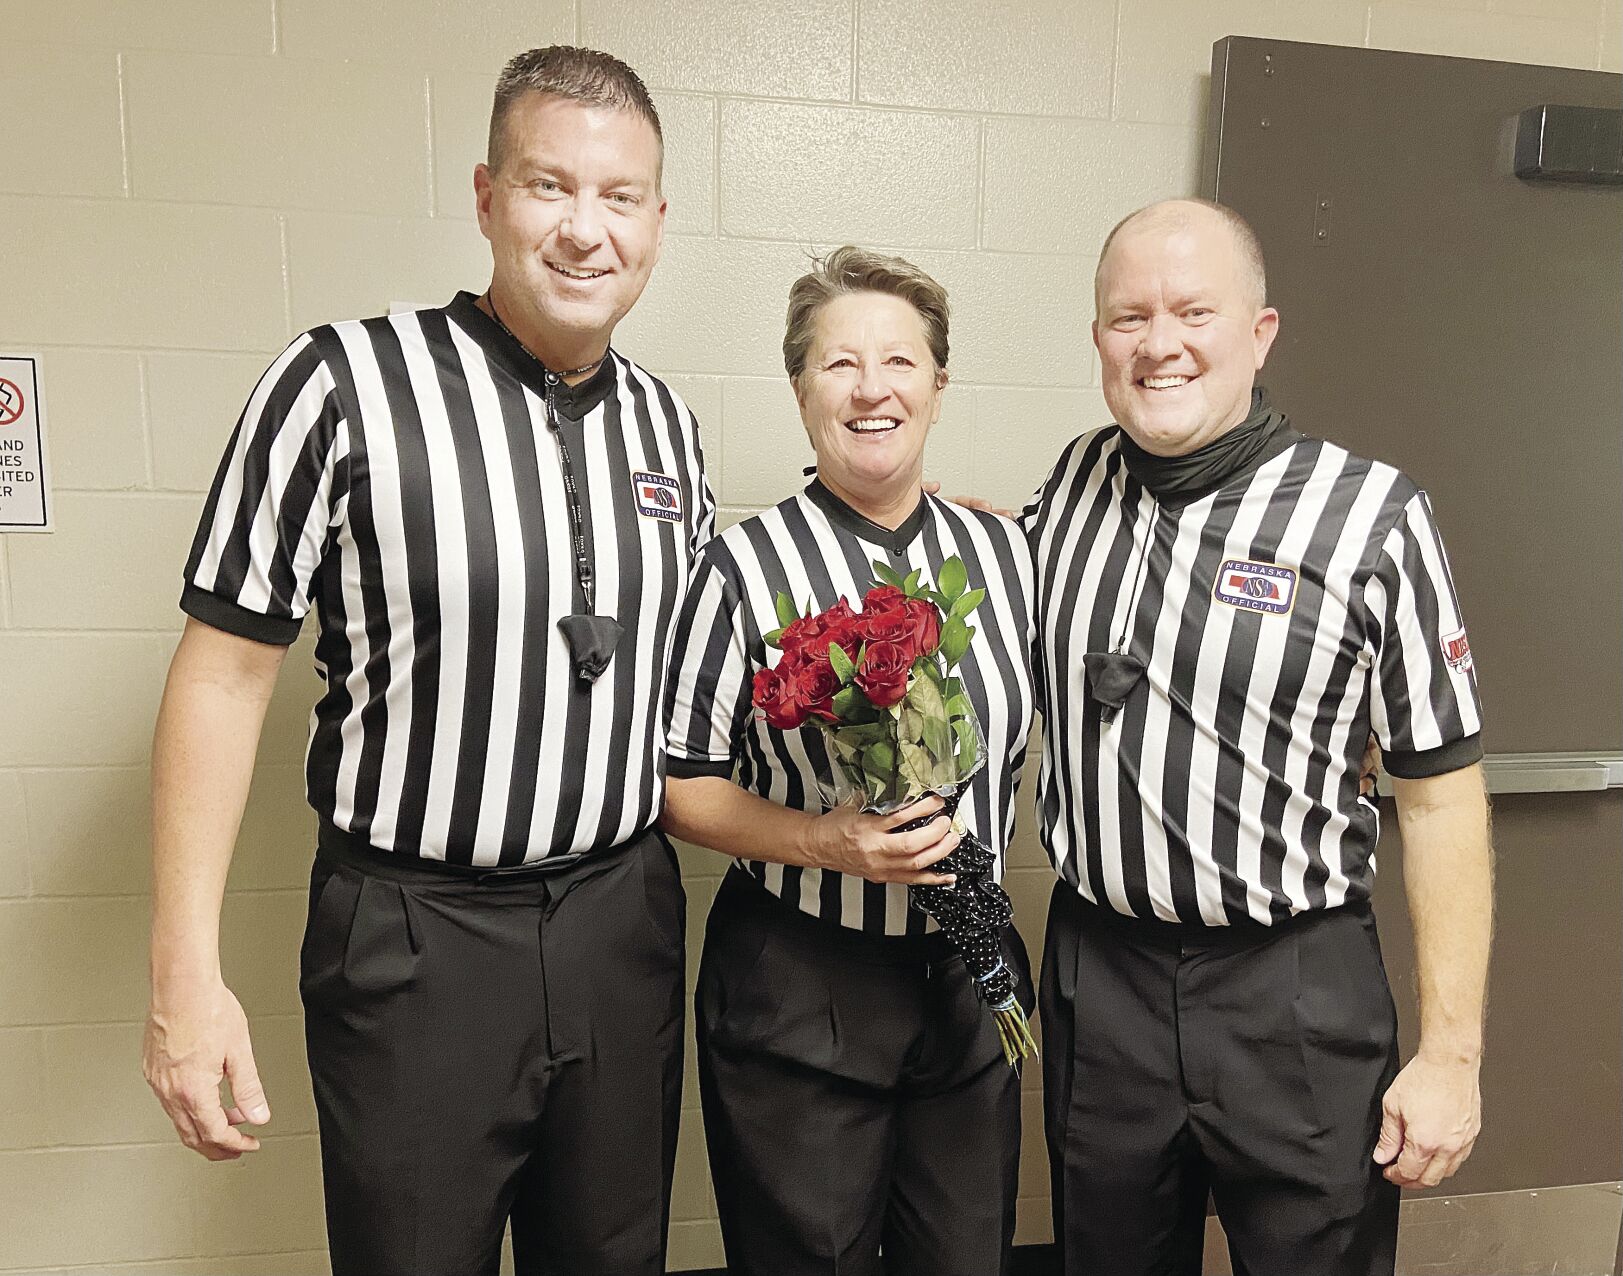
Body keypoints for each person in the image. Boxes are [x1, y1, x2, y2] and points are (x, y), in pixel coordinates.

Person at [142, 46, 714, 1276]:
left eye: (619, 197)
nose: (584, 230)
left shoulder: (671, 425)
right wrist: (184, 977)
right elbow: (224, 674)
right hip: (416, 937)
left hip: (622, 922)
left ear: (659, 221)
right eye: (548, 186)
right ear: (486, 197)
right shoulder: (337, 383)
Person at [1023, 199, 1493, 1275]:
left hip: (1294, 990)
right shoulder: (1072, 486)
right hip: (1106, 976)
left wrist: (1452, 1052)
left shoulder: (1373, 515)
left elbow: (1439, 793)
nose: (1160, 342)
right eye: (1127, 316)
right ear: (1099, 337)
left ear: (1260, 331)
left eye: (1194, 310)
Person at [661, 246, 1037, 1276]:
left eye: (901, 362)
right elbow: (680, 786)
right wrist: (828, 842)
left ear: (939, 385)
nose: (872, 389)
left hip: (968, 973)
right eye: (838, 365)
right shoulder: (740, 568)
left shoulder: (1008, 557)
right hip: (802, 981)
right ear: (798, 391)